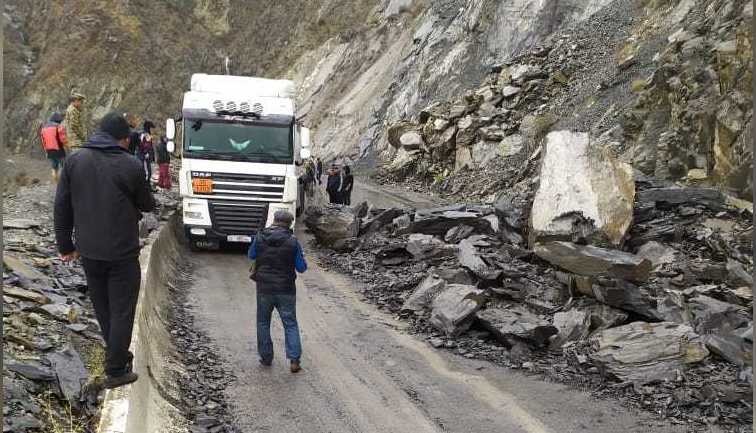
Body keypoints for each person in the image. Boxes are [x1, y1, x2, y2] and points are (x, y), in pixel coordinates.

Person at [54, 111, 156, 389]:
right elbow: (147, 204)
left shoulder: (74, 160)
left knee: (103, 307)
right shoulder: (131, 164)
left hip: (89, 250)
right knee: (122, 310)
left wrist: (66, 245)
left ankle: (117, 354)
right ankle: (115, 369)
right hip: (122, 252)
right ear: (122, 139)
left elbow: (62, 205)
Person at [248, 210, 307, 373]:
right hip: (286, 290)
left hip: (264, 289)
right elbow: (302, 268)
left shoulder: (260, 237)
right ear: (290, 224)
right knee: (290, 323)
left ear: (273, 220)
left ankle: (266, 357)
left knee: (263, 322)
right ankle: (294, 360)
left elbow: (251, 254)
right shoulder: (293, 242)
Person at [39, 112, 68, 182]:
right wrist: (67, 146)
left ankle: (55, 179)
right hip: (59, 150)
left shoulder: (43, 128)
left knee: (54, 165)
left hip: (49, 150)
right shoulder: (58, 127)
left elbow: (43, 141)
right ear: (58, 120)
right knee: (64, 165)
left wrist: (46, 151)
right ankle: (64, 181)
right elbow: (63, 139)